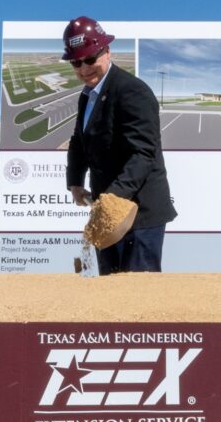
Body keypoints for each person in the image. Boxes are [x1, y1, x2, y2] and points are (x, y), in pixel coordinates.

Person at [62, 16, 176, 273]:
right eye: (76, 62)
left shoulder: (132, 91)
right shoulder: (87, 96)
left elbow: (143, 153)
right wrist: (75, 182)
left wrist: (112, 198)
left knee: (137, 293)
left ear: (107, 51)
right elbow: (79, 141)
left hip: (139, 216)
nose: (83, 68)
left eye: (90, 59)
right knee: (109, 291)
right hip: (108, 214)